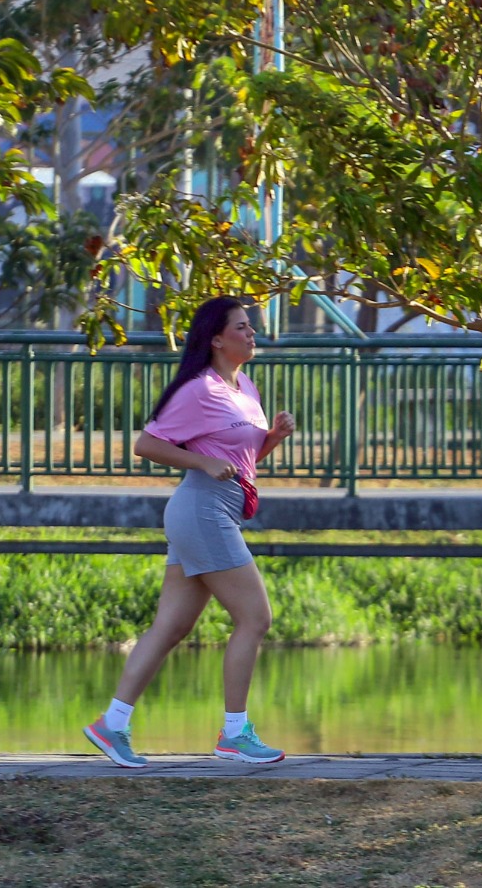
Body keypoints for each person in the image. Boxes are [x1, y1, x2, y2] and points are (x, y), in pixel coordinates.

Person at [84, 296, 295, 768]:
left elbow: (239, 460)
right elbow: (146, 443)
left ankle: (111, 724)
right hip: (202, 510)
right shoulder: (199, 389)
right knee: (255, 618)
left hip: (214, 510)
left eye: (250, 326)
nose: (252, 333)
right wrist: (201, 461)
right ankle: (235, 734)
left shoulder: (245, 387)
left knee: (172, 626)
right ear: (216, 339)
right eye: (241, 327)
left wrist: (273, 439)